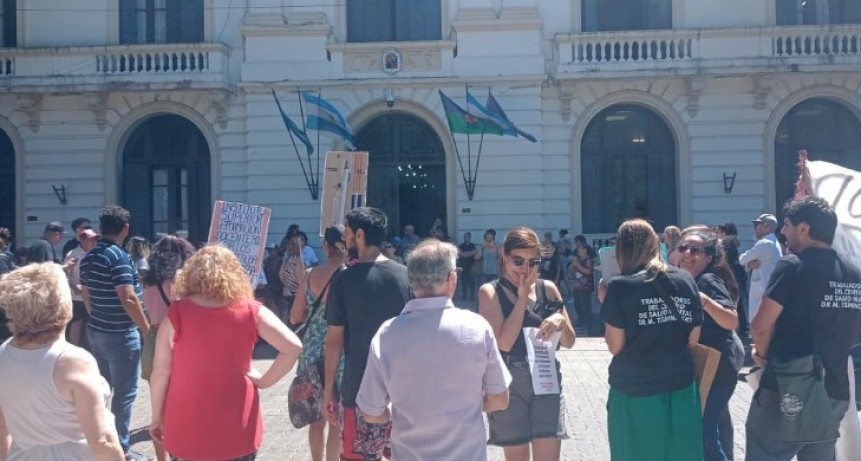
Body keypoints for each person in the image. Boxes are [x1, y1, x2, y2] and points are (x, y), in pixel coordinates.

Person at [356, 239, 512, 460]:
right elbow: (500, 399)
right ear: (452, 279)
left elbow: (370, 412)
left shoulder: (387, 334)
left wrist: (392, 412)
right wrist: (469, 406)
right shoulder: (477, 327)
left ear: (411, 281)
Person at [148, 245, 302, 461]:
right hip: (237, 420)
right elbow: (293, 347)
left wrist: (156, 417)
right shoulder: (251, 310)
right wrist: (264, 381)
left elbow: (160, 372)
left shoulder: (177, 313)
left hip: (186, 422)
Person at [746, 196, 861, 461]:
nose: (782, 232)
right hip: (834, 387)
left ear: (803, 228)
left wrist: (760, 353)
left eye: (786, 225)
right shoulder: (854, 272)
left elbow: (761, 326)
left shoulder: (792, 266)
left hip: (790, 383)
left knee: (765, 453)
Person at [597, 219, 704, 461]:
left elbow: (615, 346)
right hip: (681, 390)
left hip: (636, 391)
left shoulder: (620, 286)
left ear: (621, 249)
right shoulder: (685, 280)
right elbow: (692, 340)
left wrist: (607, 303)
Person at [0, 263, 125, 461]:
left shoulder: (4, 353)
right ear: (62, 305)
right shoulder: (72, 361)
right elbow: (101, 441)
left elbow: (2, 426)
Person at [478, 227, 576, 461]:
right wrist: (522, 298)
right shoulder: (490, 292)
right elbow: (504, 342)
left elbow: (569, 341)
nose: (525, 269)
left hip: (545, 375)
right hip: (511, 378)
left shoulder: (548, 288)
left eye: (533, 262)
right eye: (518, 261)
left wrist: (561, 321)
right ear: (504, 255)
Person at [323, 207, 411, 461]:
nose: (344, 238)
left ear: (360, 235)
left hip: (358, 388)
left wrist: (328, 391)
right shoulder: (405, 276)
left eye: (347, 231)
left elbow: (334, 341)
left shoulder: (344, 280)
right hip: (402, 390)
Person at [79, 206, 151, 461]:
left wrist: (96, 316)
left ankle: (99, 441)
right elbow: (129, 298)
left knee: (103, 390)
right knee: (124, 393)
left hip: (96, 330)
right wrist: (147, 330)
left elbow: (86, 294)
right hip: (120, 334)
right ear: (125, 229)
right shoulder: (118, 257)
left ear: (101, 228)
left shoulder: (89, 257)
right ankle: (121, 449)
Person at [678, 227, 741, 461]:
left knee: (705, 432)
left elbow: (731, 320)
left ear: (708, 257)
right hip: (706, 366)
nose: (687, 254)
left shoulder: (707, 280)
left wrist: (704, 301)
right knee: (708, 430)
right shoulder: (689, 280)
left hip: (717, 368)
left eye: (695, 250)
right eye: (683, 248)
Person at [289, 227, 347, 461]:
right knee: (335, 418)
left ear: (325, 247)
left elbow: (295, 317)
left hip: (312, 349)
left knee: (316, 417)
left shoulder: (310, 274)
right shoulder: (350, 276)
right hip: (342, 349)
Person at [139, 235, 195, 461]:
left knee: (158, 411)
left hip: (152, 340)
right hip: (177, 340)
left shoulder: (147, 280)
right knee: (183, 408)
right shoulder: (179, 281)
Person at [739, 213, 782, 323]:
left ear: (765, 226)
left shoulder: (764, 243)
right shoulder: (774, 242)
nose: (755, 228)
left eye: (757, 225)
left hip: (762, 290)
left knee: (757, 323)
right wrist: (750, 264)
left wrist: (749, 263)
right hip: (769, 288)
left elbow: (742, 259)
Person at [64, 228, 100, 348]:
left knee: (94, 322)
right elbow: (65, 274)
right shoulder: (73, 254)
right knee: (77, 323)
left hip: (93, 295)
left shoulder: (97, 253)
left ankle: (93, 348)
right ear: (82, 241)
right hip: (77, 296)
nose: (94, 242)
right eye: (91, 240)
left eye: (95, 239)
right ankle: (74, 347)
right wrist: (74, 287)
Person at [717, 222, 749, 343]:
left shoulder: (725, 243)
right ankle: (743, 327)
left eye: (719, 231)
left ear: (724, 232)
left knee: (734, 301)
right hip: (737, 274)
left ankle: (740, 327)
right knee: (738, 301)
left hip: (731, 275)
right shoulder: (733, 241)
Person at [569, 242, 595, 336]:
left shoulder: (589, 260)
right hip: (576, 287)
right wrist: (573, 264)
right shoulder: (578, 260)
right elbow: (570, 270)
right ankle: (580, 324)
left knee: (585, 307)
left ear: (585, 250)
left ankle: (588, 327)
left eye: (580, 249)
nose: (578, 251)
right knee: (578, 306)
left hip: (585, 287)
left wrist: (578, 265)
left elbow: (588, 272)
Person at [279, 234, 305, 323]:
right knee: (296, 314)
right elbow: (299, 275)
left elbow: (281, 274)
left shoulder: (286, 259)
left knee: (288, 313)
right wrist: (301, 287)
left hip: (287, 290)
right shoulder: (297, 259)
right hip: (296, 291)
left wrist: (287, 283)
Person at [458, 232, 478, 301]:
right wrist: (469, 254)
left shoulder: (473, 245)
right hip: (463, 267)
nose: (466, 238)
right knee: (464, 282)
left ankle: (472, 297)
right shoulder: (461, 245)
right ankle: (464, 297)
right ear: (464, 238)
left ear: (470, 238)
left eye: (468, 237)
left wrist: (465, 253)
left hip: (471, 267)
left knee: (472, 282)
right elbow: (460, 253)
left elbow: (474, 252)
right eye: (465, 237)